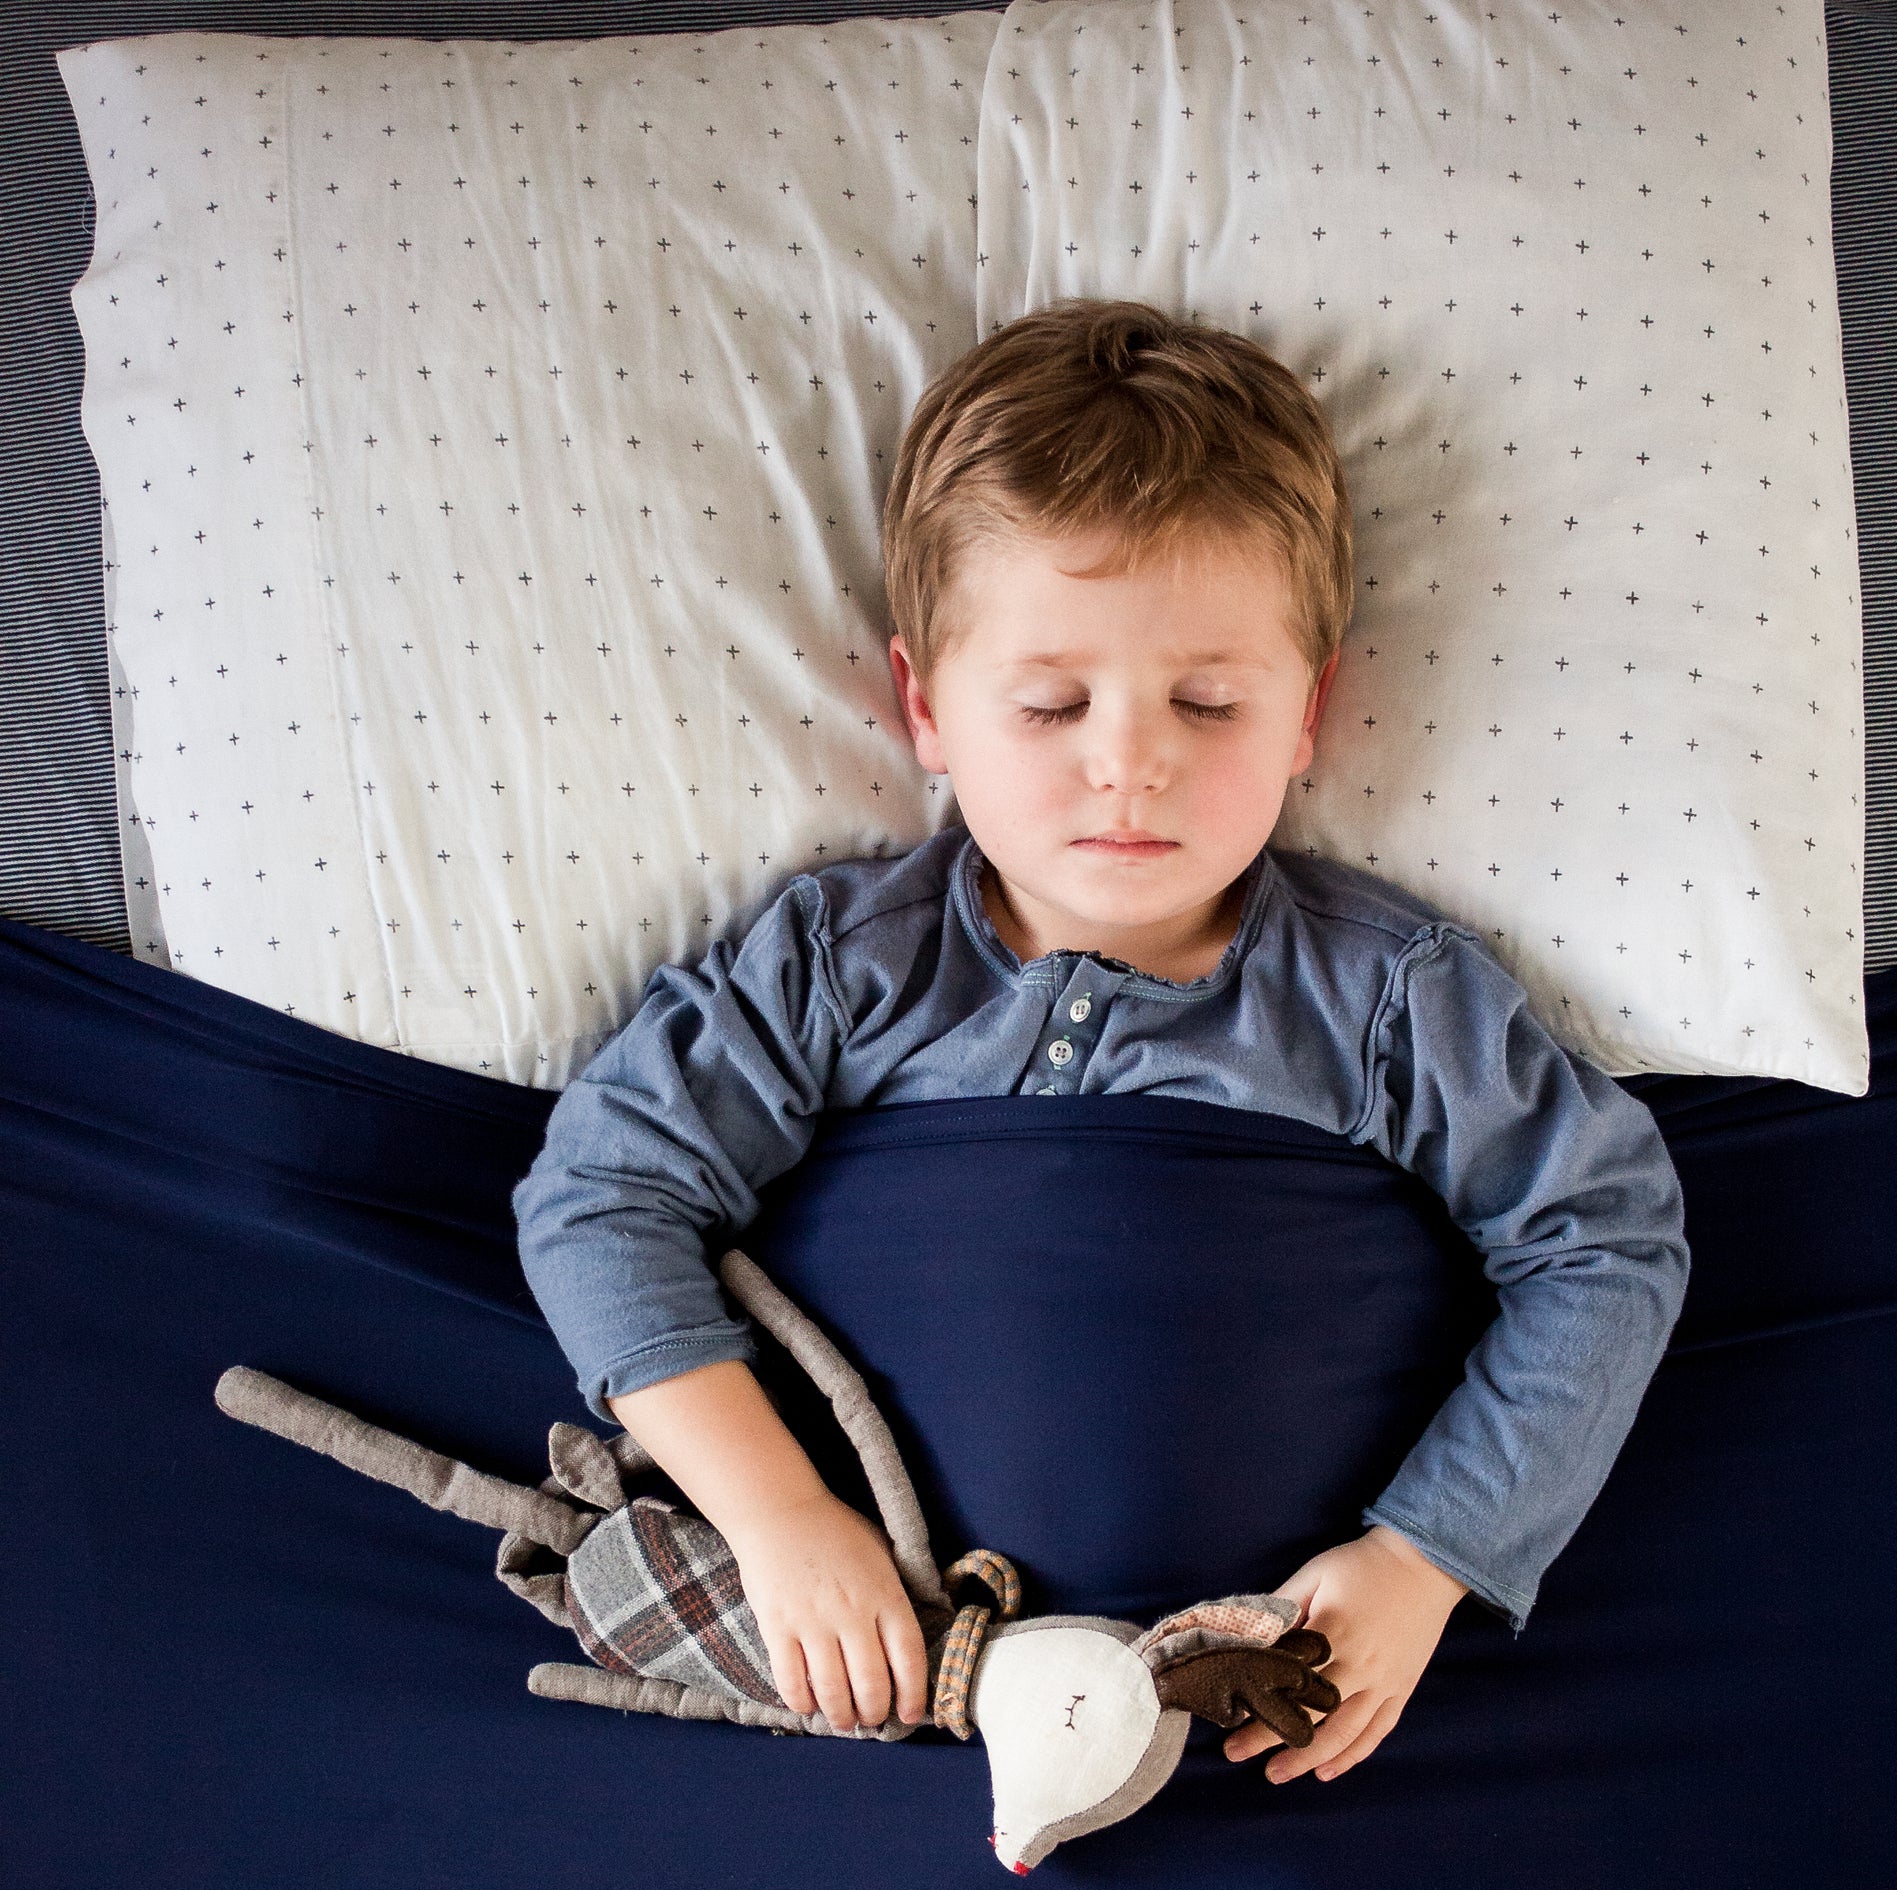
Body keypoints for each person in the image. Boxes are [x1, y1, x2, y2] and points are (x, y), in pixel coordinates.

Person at [514, 300, 1690, 1786]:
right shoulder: (840, 962)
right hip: (877, 1675)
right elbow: (600, 1196)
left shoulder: (1388, 994)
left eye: (1207, 701)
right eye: (1050, 702)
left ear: (1308, 712)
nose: (1128, 759)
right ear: (925, 710)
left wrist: (1424, 1558)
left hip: (1281, 1709)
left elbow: (1603, 1238)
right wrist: (782, 1521)